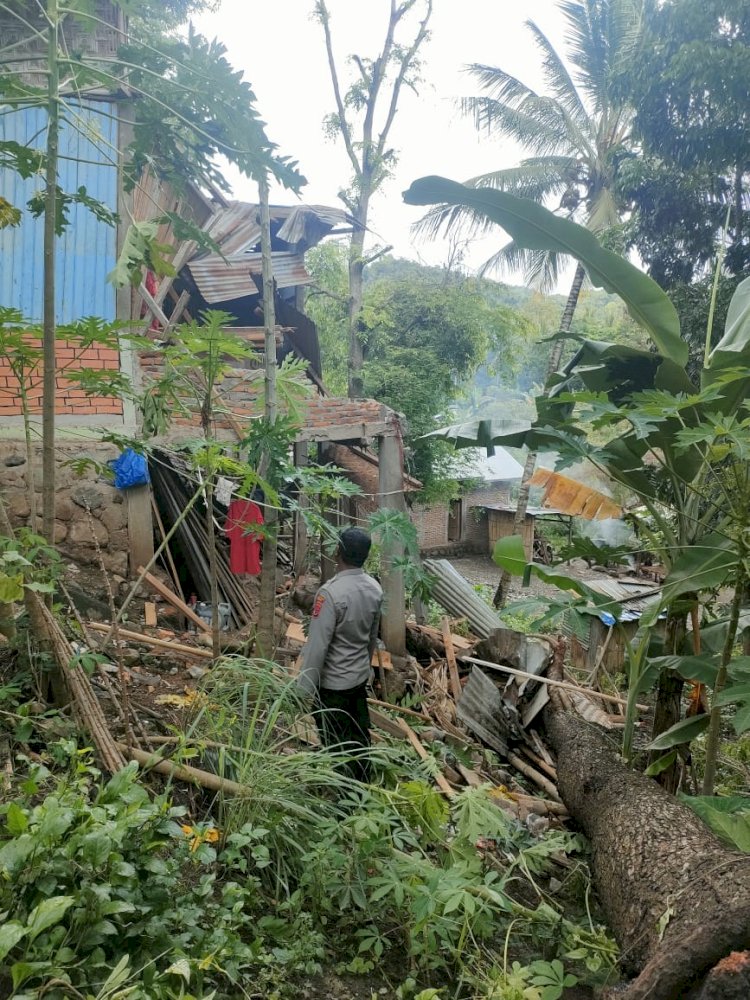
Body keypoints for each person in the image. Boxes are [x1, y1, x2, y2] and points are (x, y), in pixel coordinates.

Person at [297, 527, 382, 781]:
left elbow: (317, 647)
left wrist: (302, 692)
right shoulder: (374, 589)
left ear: (338, 552)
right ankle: (364, 790)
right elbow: (371, 640)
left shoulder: (330, 593)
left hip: (332, 688)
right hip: (357, 681)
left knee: (336, 747)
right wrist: (363, 670)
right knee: (359, 740)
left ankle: (345, 807)